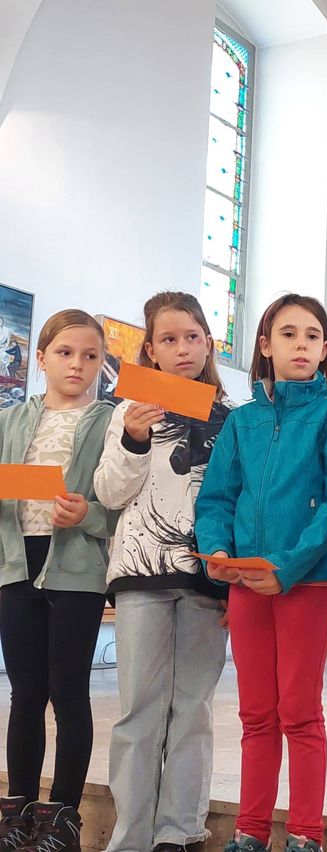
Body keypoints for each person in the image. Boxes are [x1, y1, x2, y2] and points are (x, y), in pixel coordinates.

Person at [195, 294, 327, 852]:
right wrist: (218, 549)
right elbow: (217, 498)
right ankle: (249, 831)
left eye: (313, 336)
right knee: (256, 714)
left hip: (308, 581)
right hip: (245, 582)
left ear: (325, 348)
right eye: (288, 334)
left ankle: (307, 835)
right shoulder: (243, 421)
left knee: (300, 711)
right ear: (265, 345)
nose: (301, 345)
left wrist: (286, 568)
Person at [95, 292, 233, 852]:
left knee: (192, 708)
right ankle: (129, 838)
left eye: (192, 337)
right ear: (149, 350)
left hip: (205, 576)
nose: (182, 349)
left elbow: (234, 498)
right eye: (168, 340)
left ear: (208, 344)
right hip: (140, 576)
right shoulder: (126, 411)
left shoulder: (232, 418)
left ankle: (180, 832)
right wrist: (134, 437)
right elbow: (109, 491)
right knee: (138, 710)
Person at [0, 310, 116, 852]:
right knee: (25, 693)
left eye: (91, 356)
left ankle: (63, 813)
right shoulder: (10, 420)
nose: (78, 364)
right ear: (41, 357)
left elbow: (119, 505)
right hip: (15, 564)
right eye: (66, 353)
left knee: (68, 693)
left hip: (75, 566)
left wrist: (85, 515)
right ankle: (17, 806)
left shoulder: (110, 421)